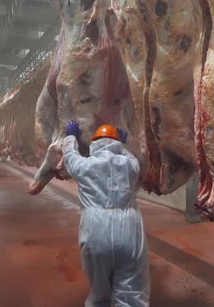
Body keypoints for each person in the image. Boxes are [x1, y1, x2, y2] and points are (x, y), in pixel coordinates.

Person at [60, 120, 150, 307]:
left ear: (94, 144)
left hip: (96, 232)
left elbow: (69, 155)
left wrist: (71, 136)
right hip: (129, 232)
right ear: (117, 143)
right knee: (132, 293)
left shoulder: (83, 166)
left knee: (99, 293)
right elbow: (129, 155)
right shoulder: (131, 165)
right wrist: (123, 143)